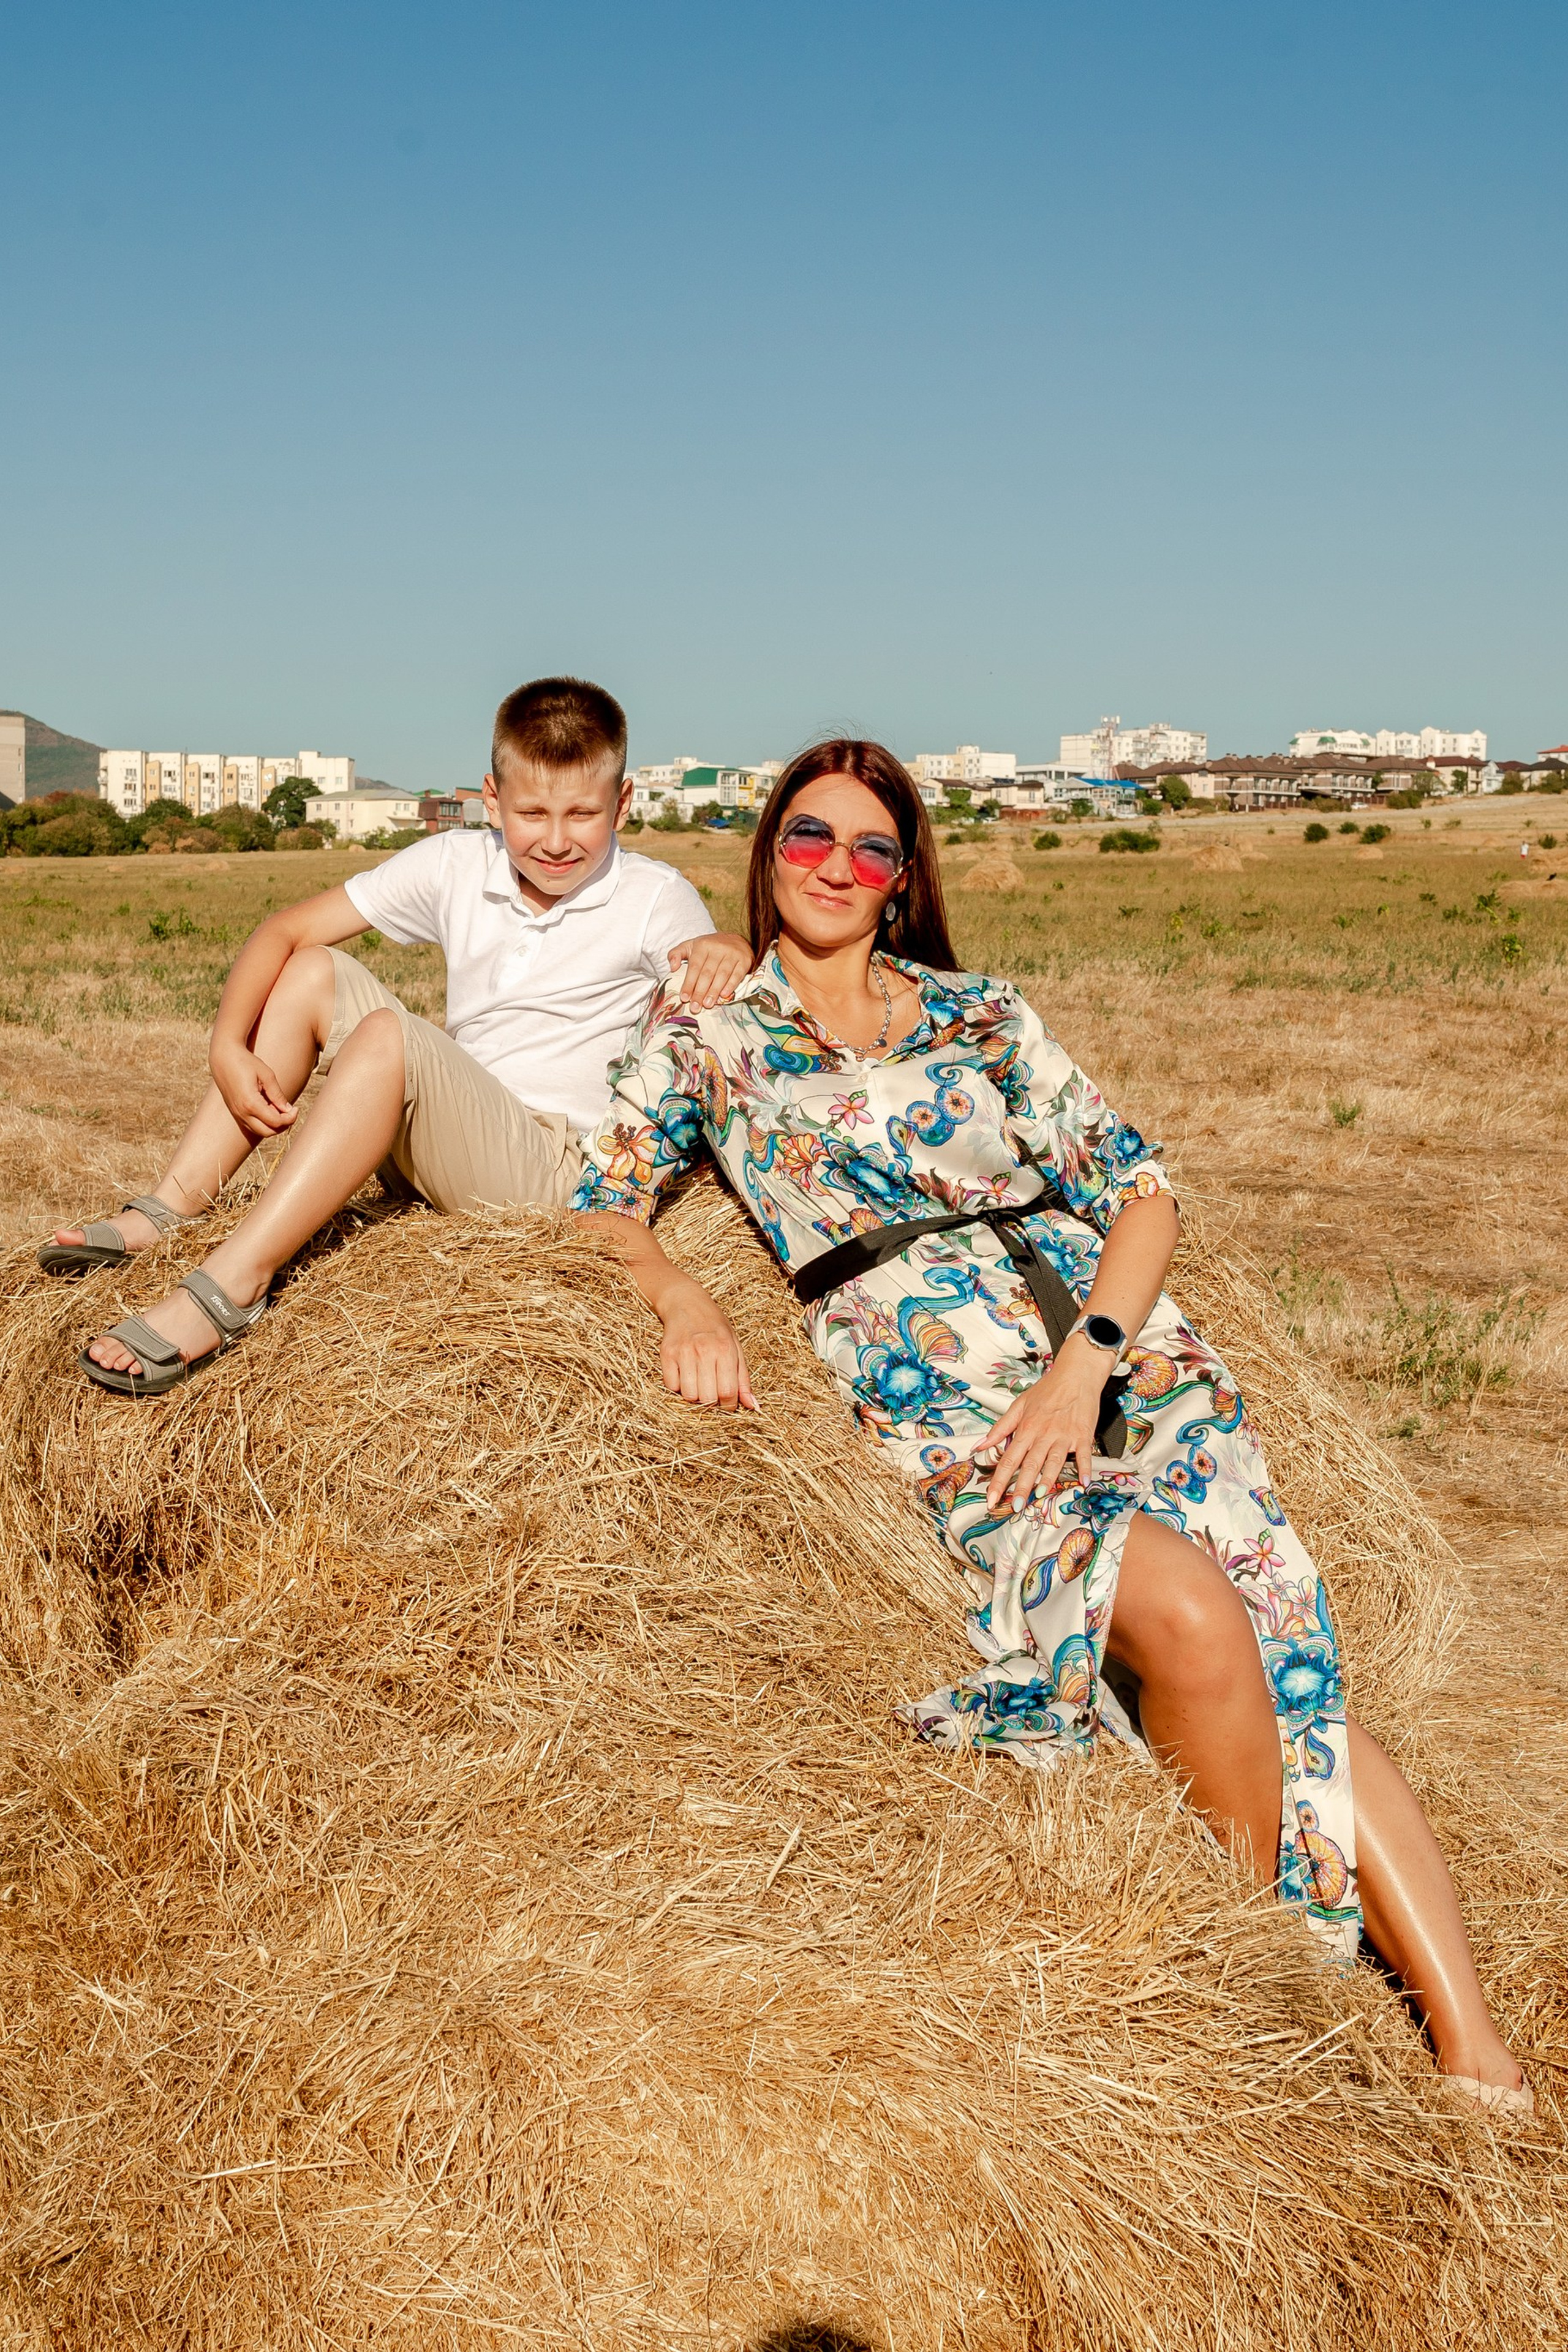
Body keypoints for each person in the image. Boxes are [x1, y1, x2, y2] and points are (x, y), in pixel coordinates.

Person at [572, 736, 1529, 2110]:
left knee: (1288, 1675)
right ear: (766, 852)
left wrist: (1084, 1364)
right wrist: (678, 1300)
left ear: (902, 879)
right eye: (806, 838)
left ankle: (1469, 2049)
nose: (835, 867)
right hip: (944, 1389)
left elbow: (1141, 1193)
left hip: (1116, 1360)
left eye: (869, 849)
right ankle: (1264, 1983)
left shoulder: (983, 1014)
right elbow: (600, 1202)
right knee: (1192, 1621)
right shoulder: (705, 1033)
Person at [52, 676, 750, 1394]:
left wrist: (725, 945)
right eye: (532, 812)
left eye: (583, 813)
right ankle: (174, 1203)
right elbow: (285, 929)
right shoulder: (457, 862)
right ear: (491, 799)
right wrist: (226, 1047)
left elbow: (708, 973)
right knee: (311, 969)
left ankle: (234, 1281)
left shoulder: (653, 896)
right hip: (444, 1141)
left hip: (547, 1170)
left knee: (395, 1036)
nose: (556, 840)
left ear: (624, 803)